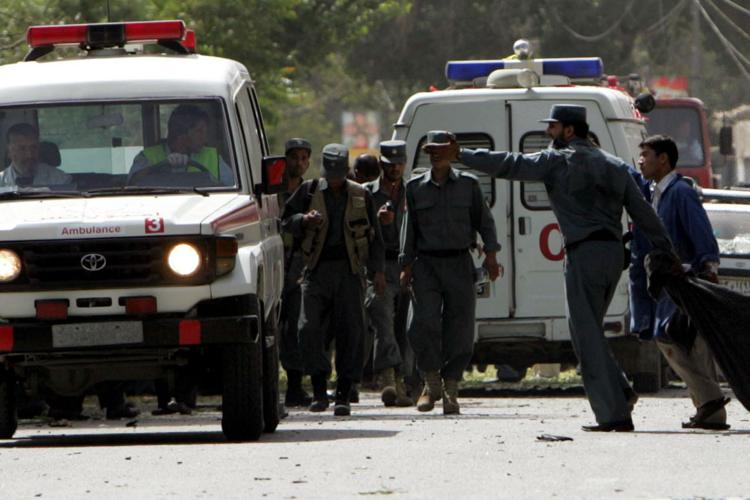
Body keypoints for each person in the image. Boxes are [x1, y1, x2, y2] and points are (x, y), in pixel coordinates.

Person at [426, 106, 673, 431]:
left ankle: (614, 414)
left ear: (569, 131)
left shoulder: (556, 161)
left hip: (583, 255)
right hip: (612, 255)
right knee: (590, 330)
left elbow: (509, 164)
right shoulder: (615, 165)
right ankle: (621, 391)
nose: (548, 132)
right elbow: (643, 213)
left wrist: (462, 154)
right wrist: (667, 250)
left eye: (553, 127)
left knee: (584, 335)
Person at [631, 134, 729, 430]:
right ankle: (709, 409)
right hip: (668, 285)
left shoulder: (680, 192)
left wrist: (707, 268)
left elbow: (701, 233)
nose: (641, 161)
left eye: (646, 155)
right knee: (684, 341)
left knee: (674, 338)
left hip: (688, 282)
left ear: (663, 159)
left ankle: (711, 403)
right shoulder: (653, 193)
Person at [400, 130, 501, 415]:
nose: (435, 153)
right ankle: (431, 381)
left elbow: (485, 221)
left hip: (459, 263)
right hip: (426, 264)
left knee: (460, 327)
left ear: (452, 150)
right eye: (431, 149)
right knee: (422, 323)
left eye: (441, 148)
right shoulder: (415, 187)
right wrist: (405, 265)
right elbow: (409, 229)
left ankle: (451, 388)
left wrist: (491, 256)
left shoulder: (469, 185)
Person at [281, 144, 386, 416]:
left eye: (339, 174)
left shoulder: (361, 194)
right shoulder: (310, 191)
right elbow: (285, 220)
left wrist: (378, 271)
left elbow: (375, 236)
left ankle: (344, 394)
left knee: (352, 331)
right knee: (307, 328)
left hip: (349, 271)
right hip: (316, 270)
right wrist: (304, 220)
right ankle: (318, 389)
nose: (336, 180)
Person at [363, 140, 414, 407]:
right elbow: (360, 234)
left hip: (407, 265)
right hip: (380, 266)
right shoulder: (366, 194)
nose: (395, 168)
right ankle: (388, 378)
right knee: (383, 322)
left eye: (399, 164)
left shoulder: (413, 191)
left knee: (407, 326)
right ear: (381, 164)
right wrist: (379, 223)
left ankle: (404, 380)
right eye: (390, 164)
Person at [279, 138, 314, 407]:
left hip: (297, 266)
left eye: (304, 158)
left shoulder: (310, 193)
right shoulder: (271, 192)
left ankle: (294, 386)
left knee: (295, 326)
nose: (299, 163)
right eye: (294, 157)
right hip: (273, 262)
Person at [129, 104, 234, 184]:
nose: (204, 137)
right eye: (200, 131)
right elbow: (132, 184)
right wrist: (158, 167)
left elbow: (231, 187)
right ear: (182, 133)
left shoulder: (212, 157)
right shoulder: (148, 156)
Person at [0, 123, 71, 187]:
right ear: (9, 151)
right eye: (22, 148)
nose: (29, 155)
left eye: (33, 147)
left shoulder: (60, 179)